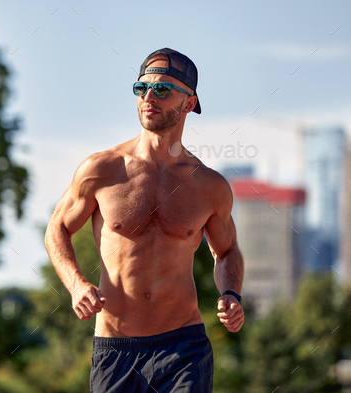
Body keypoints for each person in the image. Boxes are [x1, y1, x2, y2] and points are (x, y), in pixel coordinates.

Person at [44, 48, 245, 392]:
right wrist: (76, 284)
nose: (148, 97)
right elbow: (57, 229)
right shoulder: (102, 170)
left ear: (188, 102)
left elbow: (226, 252)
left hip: (184, 348)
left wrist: (231, 294)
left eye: (162, 90)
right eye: (141, 88)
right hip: (116, 350)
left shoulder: (209, 186)